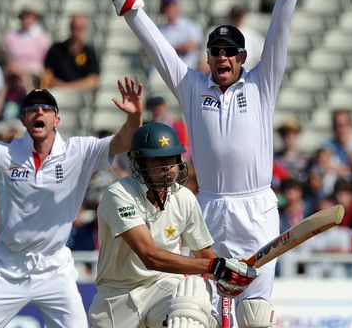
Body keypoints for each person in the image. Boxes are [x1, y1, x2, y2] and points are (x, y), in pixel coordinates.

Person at [103, 0, 311, 326]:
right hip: (209, 208)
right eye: (216, 52)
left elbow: (280, 40)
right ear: (208, 57)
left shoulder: (261, 84)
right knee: (198, 311)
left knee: (254, 314)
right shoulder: (193, 87)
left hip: (257, 209)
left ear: (242, 57)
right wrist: (126, 3)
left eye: (230, 52)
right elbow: (160, 50)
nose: (223, 58)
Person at [0, 79, 144, 328]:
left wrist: (134, 118)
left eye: (46, 108)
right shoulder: (2, 155)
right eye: (32, 108)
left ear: (57, 119)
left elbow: (123, 141)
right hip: (7, 267)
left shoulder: (78, 151)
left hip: (54, 267)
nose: (39, 112)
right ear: (23, 120)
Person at [89, 123, 259, 327]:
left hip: (163, 287)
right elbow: (150, 257)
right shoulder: (119, 195)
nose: (167, 168)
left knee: (191, 301)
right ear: (139, 163)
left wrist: (230, 273)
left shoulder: (184, 197)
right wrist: (216, 266)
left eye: (171, 159)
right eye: (158, 161)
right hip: (118, 296)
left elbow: (206, 256)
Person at [41, 13, 100, 91]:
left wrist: (69, 87)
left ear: (84, 29)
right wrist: (63, 87)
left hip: (80, 95)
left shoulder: (89, 52)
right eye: (74, 27)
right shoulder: (56, 49)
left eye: (79, 28)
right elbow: (47, 75)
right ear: (70, 27)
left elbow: (93, 80)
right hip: (58, 92)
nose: (76, 31)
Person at [158, 0, 202, 70]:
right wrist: (179, 48)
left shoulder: (190, 25)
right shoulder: (160, 29)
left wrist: (173, 50)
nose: (170, 10)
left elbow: (194, 44)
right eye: (167, 7)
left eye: (172, 6)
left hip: (189, 69)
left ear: (177, 7)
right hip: (168, 70)